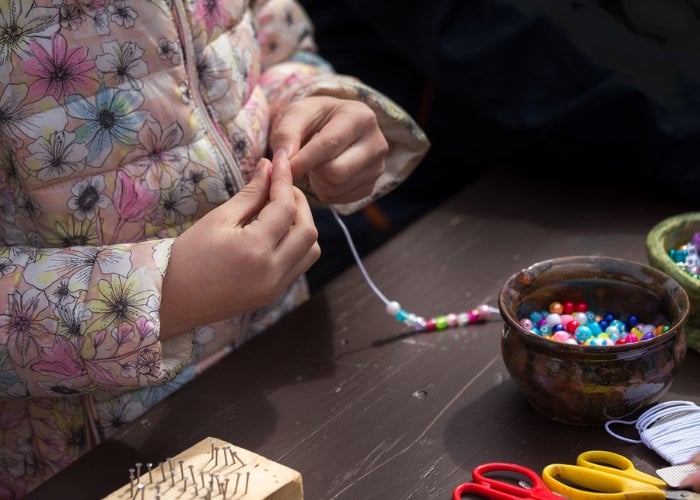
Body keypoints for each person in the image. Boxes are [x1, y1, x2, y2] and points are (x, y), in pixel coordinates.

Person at [0, 0, 429, 495]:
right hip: (89, 461)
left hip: (281, 369)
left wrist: (312, 104)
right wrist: (164, 295)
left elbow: (274, 44)